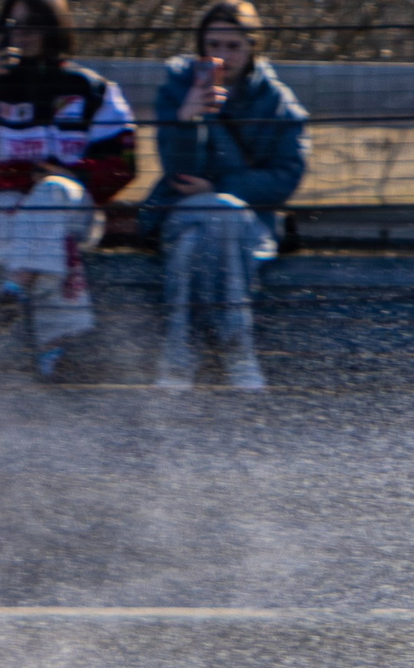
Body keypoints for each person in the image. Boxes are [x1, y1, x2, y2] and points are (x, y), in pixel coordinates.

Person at [0, 0, 136, 381]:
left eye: (34, 25)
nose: (22, 34)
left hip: (73, 206)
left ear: (55, 29)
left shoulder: (91, 89)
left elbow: (124, 164)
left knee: (52, 194)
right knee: (41, 242)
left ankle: (14, 288)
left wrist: (74, 175)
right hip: (2, 210)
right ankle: (54, 357)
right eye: (13, 25)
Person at [139, 1, 309, 391]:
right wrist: (186, 119)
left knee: (201, 238)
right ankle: (236, 352)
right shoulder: (178, 88)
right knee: (217, 220)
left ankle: (178, 360)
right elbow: (178, 172)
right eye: (213, 44)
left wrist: (221, 191)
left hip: (246, 223)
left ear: (253, 47)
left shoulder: (278, 103)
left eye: (233, 46)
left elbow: (286, 176)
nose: (222, 55)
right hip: (181, 210)